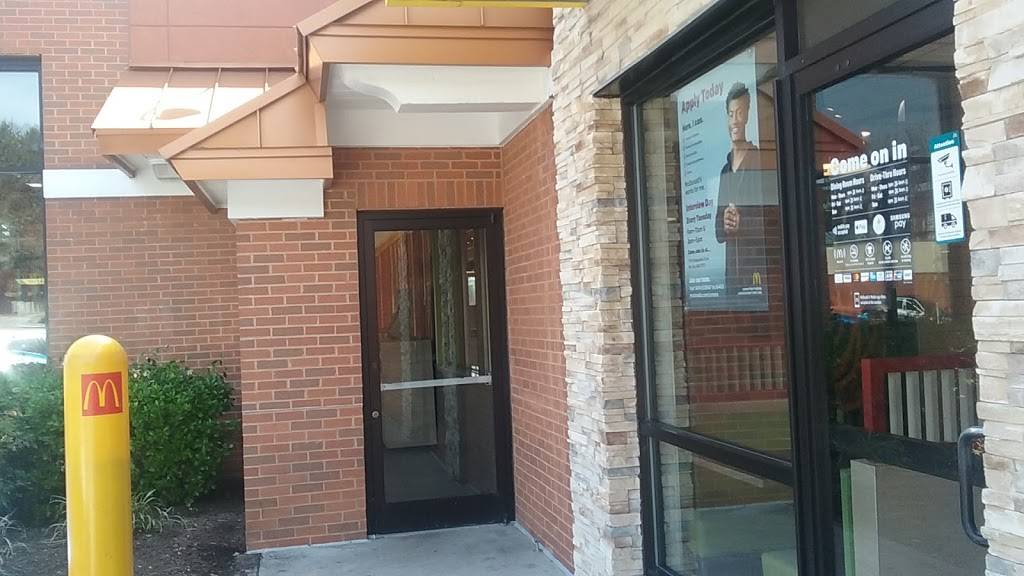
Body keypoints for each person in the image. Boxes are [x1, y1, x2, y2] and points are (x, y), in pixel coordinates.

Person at [715, 82, 769, 298]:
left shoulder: (760, 161)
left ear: (747, 115)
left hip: (757, 278)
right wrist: (724, 223)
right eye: (731, 114)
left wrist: (742, 223)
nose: (735, 120)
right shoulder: (725, 171)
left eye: (739, 113)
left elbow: (773, 221)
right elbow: (718, 233)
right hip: (732, 281)